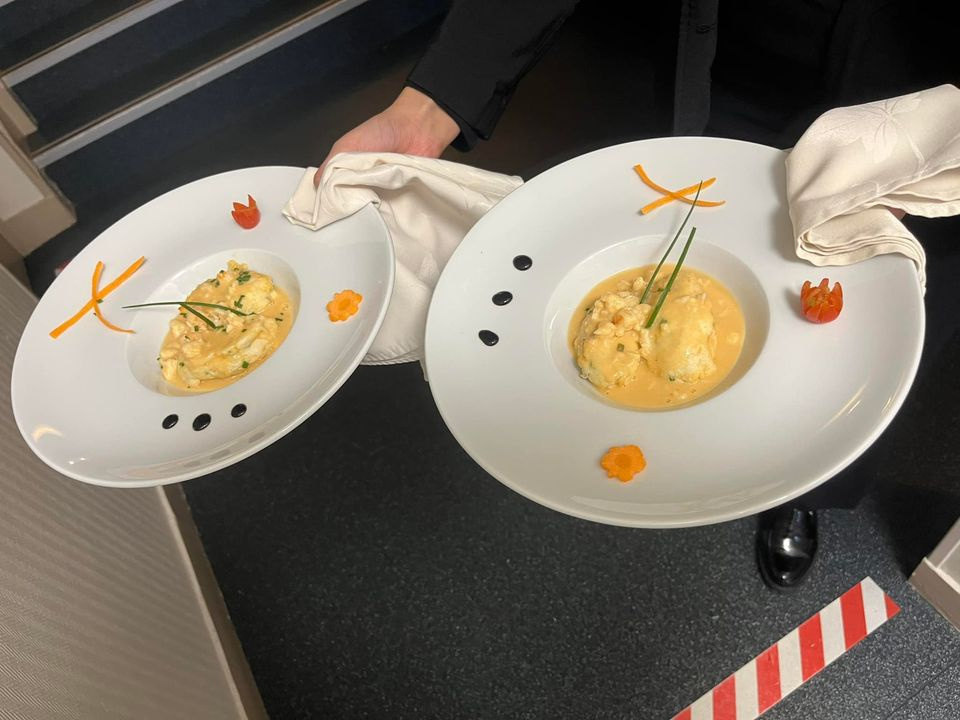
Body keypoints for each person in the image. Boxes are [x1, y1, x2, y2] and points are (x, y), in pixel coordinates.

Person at [314, 0, 960, 590]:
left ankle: (803, 490)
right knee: (680, 229)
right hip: (729, 54)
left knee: (856, 355)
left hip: (925, 107)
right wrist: (430, 105)